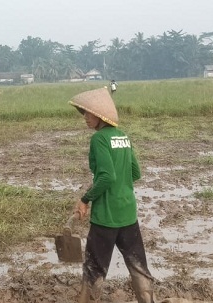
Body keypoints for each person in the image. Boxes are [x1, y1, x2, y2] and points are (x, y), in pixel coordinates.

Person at [68, 88, 155, 303]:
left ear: (100, 115)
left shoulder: (99, 139)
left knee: (94, 270)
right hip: (127, 214)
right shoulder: (123, 136)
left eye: (88, 114)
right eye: (84, 114)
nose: (85, 118)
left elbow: (106, 177)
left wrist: (85, 198)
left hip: (106, 218)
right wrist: (120, 186)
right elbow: (135, 173)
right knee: (138, 267)